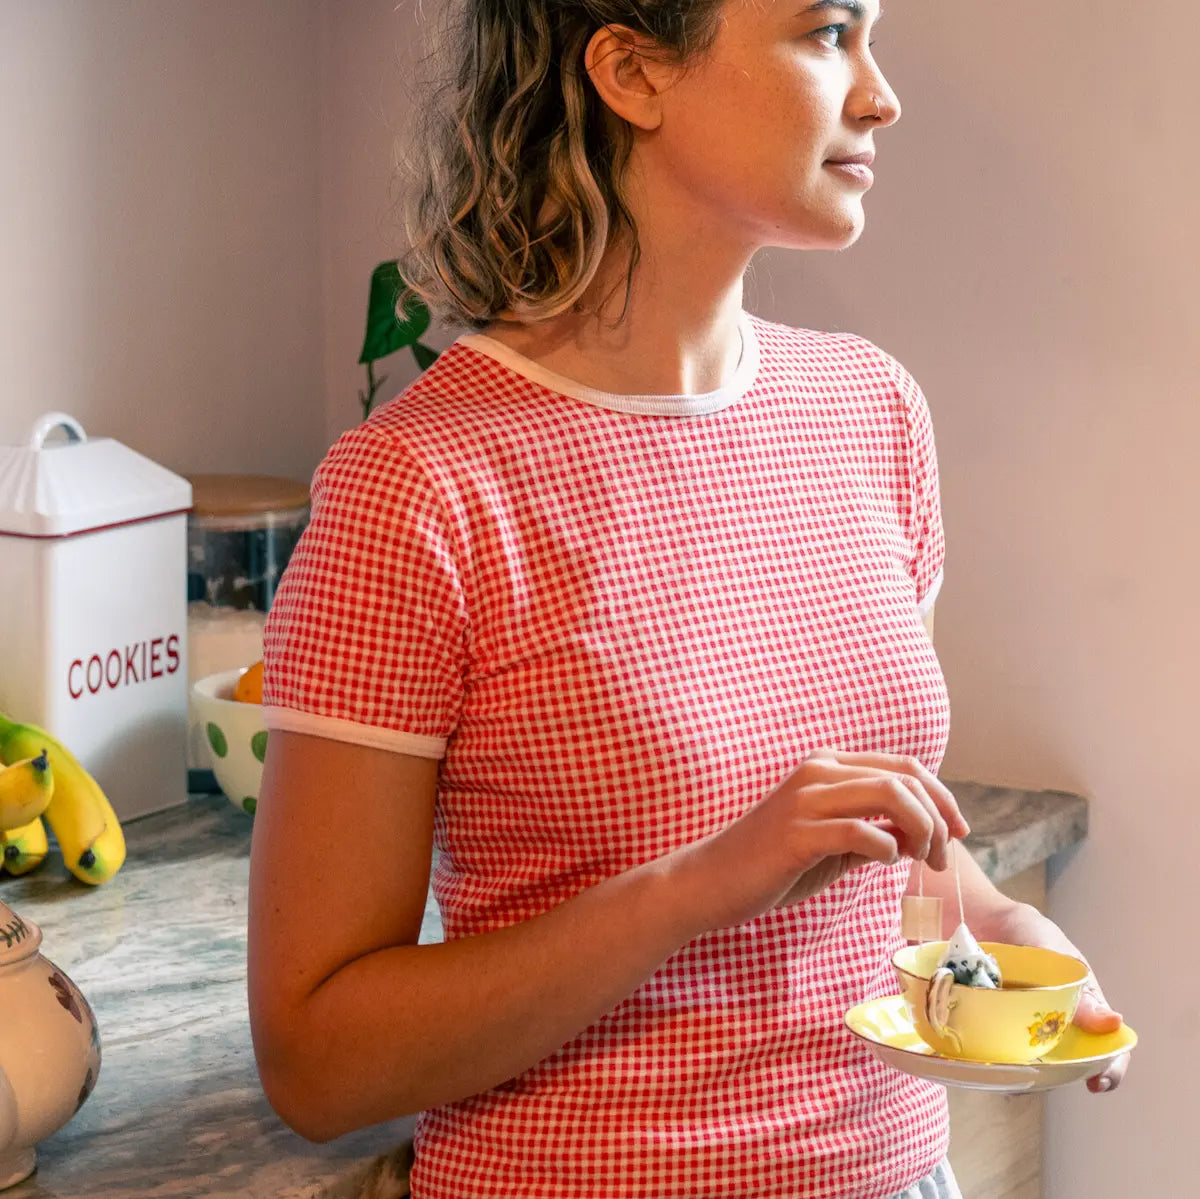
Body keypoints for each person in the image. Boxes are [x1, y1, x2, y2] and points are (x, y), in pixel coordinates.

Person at [246, 2, 1128, 1196]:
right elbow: (316, 1060)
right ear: (633, 71)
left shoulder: (869, 411)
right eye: (827, 31)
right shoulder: (418, 489)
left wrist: (1005, 933)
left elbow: (878, 859)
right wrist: (697, 885)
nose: (881, 93)